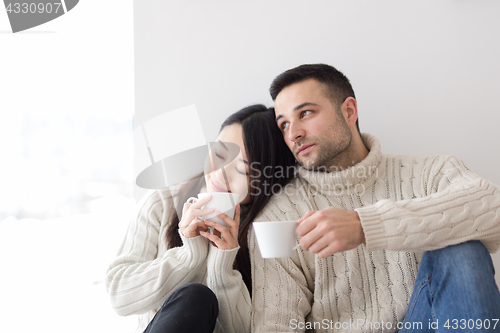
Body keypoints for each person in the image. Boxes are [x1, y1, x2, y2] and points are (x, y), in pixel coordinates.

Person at [249, 64, 500, 332]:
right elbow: (275, 325)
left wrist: (364, 225)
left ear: (349, 111)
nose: (293, 133)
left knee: (462, 247)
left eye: (306, 113)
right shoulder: (279, 216)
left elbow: (492, 207)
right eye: (284, 123)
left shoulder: (430, 173)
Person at [105, 104, 295, 333]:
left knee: (199, 298)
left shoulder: (265, 229)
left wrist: (222, 263)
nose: (221, 172)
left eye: (243, 170)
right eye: (219, 154)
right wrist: (188, 255)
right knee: (194, 297)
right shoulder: (162, 202)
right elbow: (119, 295)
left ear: (267, 182)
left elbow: (242, 329)